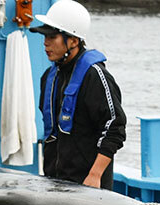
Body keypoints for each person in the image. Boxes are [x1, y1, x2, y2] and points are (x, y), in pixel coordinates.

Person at [30, 0, 125, 190]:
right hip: (54, 183)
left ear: (73, 40)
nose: (45, 42)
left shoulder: (95, 76)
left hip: (89, 185)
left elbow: (114, 128)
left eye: (52, 37)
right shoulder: (49, 77)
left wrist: (94, 176)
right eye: (44, 36)